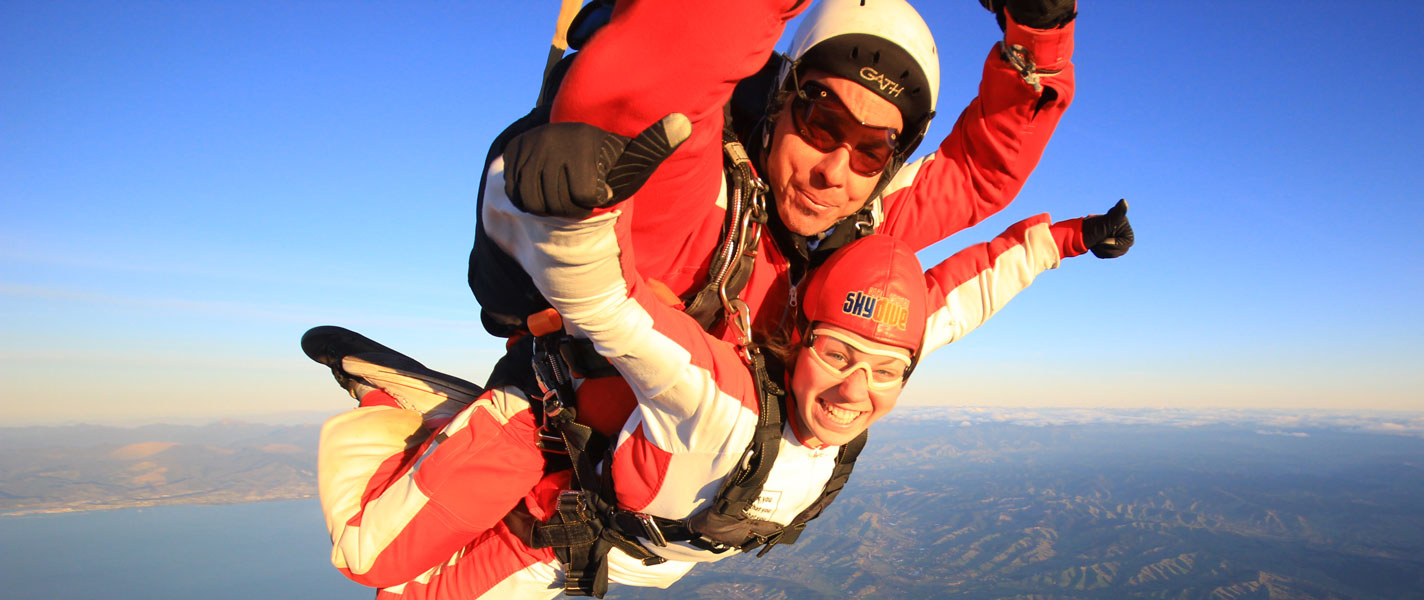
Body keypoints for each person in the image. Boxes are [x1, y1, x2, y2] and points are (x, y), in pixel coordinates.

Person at [313, 185, 1129, 596]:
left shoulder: (879, 355)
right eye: (840, 354)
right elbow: (619, 306)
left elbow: (964, 292)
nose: (858, 389)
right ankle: (400, 405)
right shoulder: (717, 394)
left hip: (598, 534)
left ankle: (439, 438)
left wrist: (1068, 240)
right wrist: (584, 204)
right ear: (797, 338)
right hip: (541, 437)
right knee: (369, 557)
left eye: (888, 370)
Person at [474, 0, 1117, 437]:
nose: (834, 172)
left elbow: (981, 172)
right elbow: (658, 92)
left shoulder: (865, 226)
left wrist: (1039, 37)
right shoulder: (703, 206)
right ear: (781, 104)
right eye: (822, 123)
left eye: (871, 149)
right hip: (562, 493)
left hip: (693, 519)